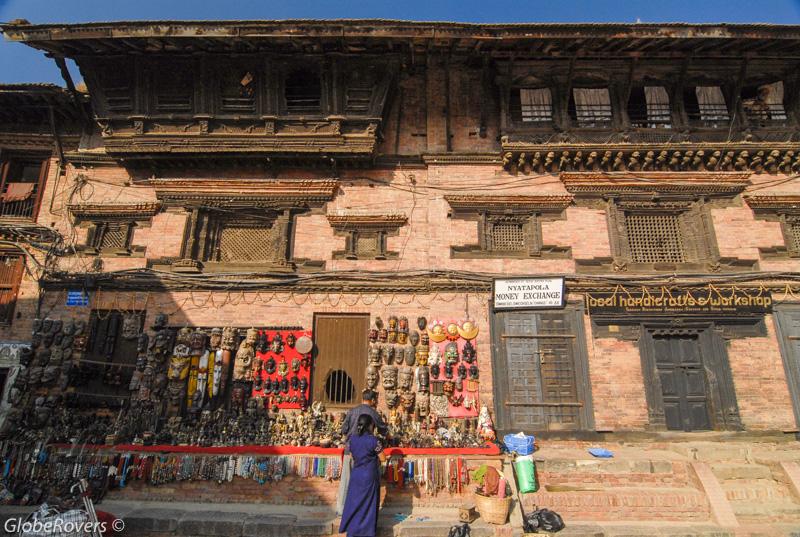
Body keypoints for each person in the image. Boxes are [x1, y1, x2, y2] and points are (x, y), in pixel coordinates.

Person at [336, 389, 387, 515]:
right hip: (366, 454)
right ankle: (361, 511)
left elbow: (344, 430)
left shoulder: (352, 411)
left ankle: (341, 510)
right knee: (364, 485)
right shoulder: (373, 413)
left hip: (350, 450)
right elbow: (383, 430)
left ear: (362, 399)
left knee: (346, 481)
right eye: (375, 400)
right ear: (373, 400)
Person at [338, 414, 384, 537]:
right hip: (369, 475)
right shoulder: (374, 440)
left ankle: (353, 530)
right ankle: (366, 532)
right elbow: (383, 458)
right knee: (368, 504)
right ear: (370, 426)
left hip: (356, 475)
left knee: (355, 503)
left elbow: (352, 455)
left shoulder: (352, 439)